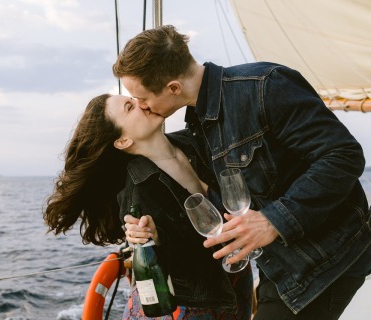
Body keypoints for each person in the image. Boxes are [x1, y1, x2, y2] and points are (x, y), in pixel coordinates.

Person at [113, 25, 371, 319]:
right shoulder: (198, 126)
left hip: (330, 258)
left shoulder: (265, 85)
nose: (142, 106)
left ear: (173, 87)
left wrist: (274, 221)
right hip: (281, 265)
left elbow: (342, 155)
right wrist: (153, 233)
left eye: (143, 98)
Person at [44, 93, 253, 319]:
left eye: (133, 98)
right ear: (123, 141)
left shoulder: (194, 141)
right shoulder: (138, 191)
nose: (140, 102)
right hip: (190, 308)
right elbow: (176, 263)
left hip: (236, 283)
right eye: (129, 107)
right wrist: (157, 239)